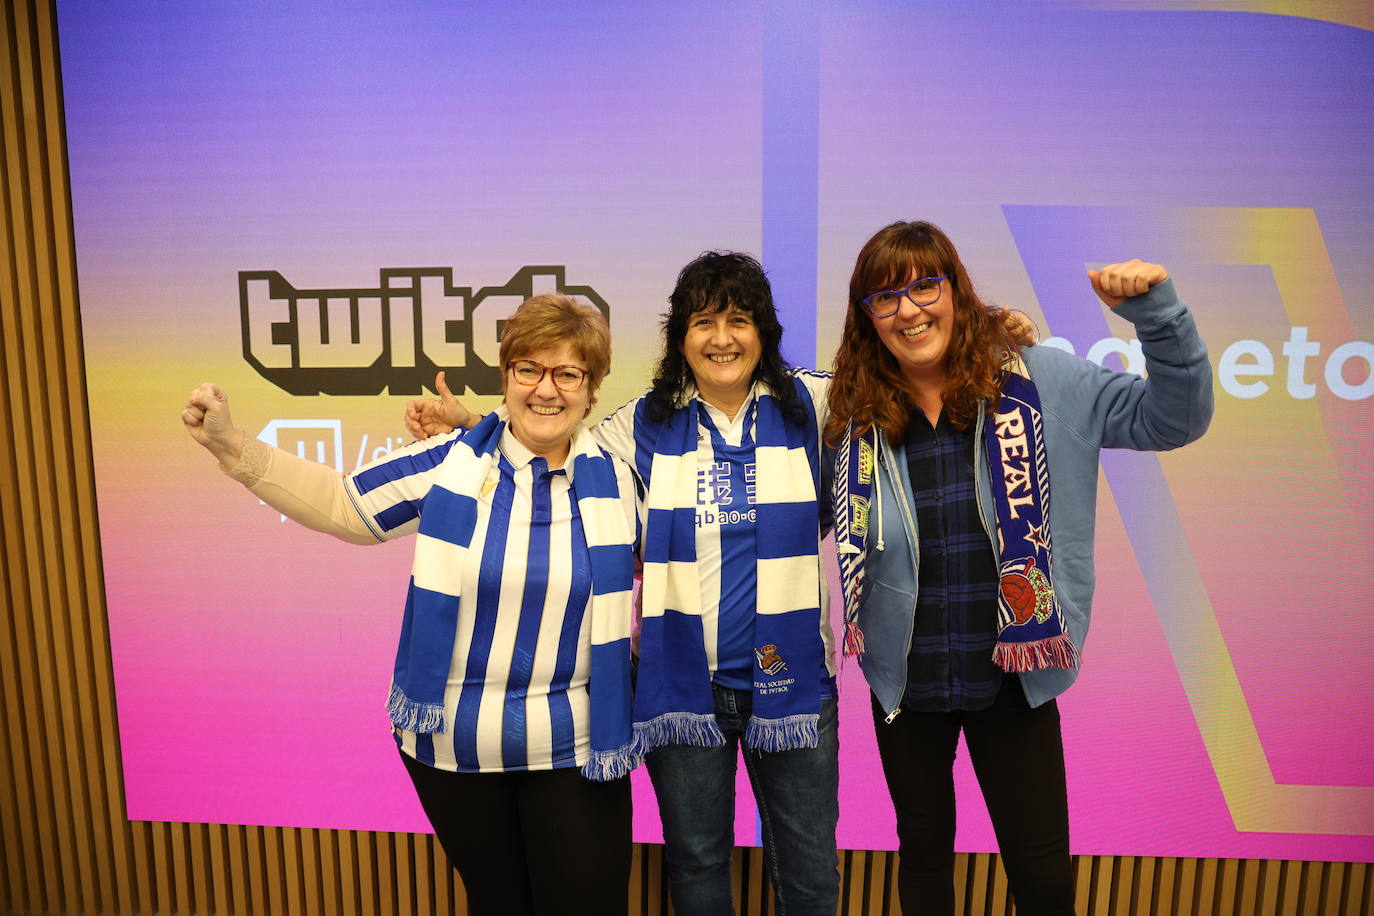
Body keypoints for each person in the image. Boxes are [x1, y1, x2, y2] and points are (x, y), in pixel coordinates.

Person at [181, 294, 642, 916]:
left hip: (577, 748)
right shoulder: (451, 463)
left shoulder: (624, 481)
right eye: (528, 369)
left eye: (568, 373)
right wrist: (233, 447)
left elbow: (680, 564)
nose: (546, 389)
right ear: (506, 376)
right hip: (454, 749)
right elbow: (344, 504)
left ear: (591, 389)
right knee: (500, 904)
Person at [411, 252, 842, 916]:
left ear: (764, 332)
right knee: (696, 863)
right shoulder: (639, 425)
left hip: (796, 681)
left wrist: (995, 337)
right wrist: (478, 428)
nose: (721, 338)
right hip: (678, 686)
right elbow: (551, 441)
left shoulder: (813, 403)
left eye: (738, 320)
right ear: (680, 337)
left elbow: (900, 378)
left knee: (810, 871)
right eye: (703, 321)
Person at [825, 221, 1213, 915]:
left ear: (955, 290)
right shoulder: (854, 418)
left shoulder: (1045, 380)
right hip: (904, 683)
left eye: (924, 286)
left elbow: (1174, 420)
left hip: (1015, 677)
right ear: (867, 319)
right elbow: (806, 510)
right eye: (885, 298)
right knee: (922, 865)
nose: (909, 310)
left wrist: (1157, 316)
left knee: (1041, 879)